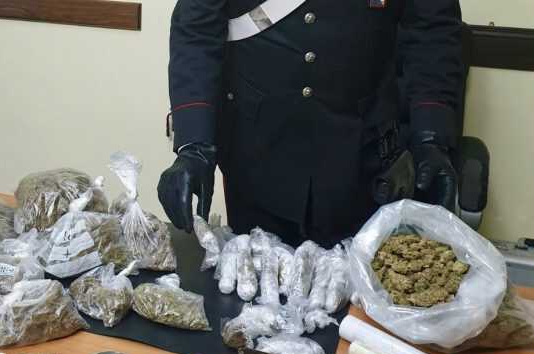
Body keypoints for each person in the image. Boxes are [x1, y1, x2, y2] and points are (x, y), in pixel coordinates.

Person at [158, 1, 463, 248]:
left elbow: (431, 32)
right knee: (255, 291)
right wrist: (194, 144)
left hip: (364, 159)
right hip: (257, 157)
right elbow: (197, 30)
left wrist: (431, 137)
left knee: (359, 296)